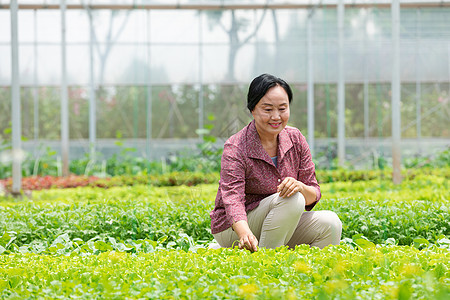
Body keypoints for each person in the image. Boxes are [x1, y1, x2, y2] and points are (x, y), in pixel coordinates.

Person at [210, 73, 342, 252]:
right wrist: (245, 234)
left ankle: (301, 275)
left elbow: (313, 193)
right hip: (235, 227)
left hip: (282, 219)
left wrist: (299, 186)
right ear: (252, 109)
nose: (276, 116)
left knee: (330, 223)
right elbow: (233, 198)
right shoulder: (237, 146)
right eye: (267, 109)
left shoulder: (296, 139)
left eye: (282, 108)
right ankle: (267, 265)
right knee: (292, 200)